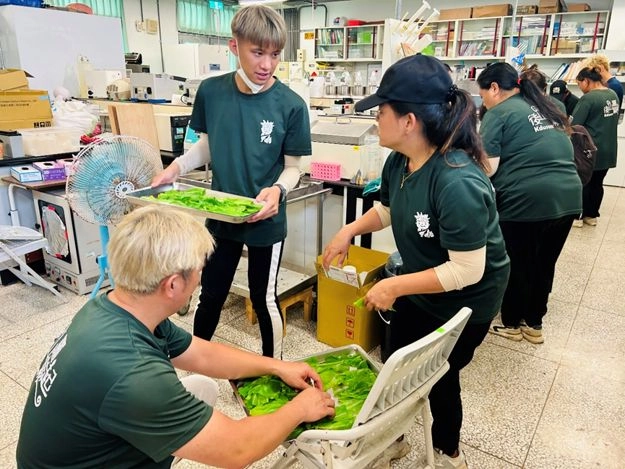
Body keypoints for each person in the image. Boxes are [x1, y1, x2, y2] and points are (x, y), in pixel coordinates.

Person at [16, 206, 335, 468]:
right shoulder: (133, 375)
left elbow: (200, 354)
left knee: (202, 388)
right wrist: (301, 409)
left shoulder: (119, 304)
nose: (201, 277)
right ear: (172, 285)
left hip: (88, 448)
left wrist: (276, 367)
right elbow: (236, 450)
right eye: (198, 269)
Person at [323, 54, 510, 469]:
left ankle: (448, 453)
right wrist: (348, 231)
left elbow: (467, 270)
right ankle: (394, 436)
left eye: (382, 112)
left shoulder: (457, 179)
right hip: (422, 282)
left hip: (468, 300)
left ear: (409, 121)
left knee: (438, 377)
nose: (376, 121)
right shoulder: (400, 159)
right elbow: (389, 209)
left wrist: (394, 285)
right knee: (396, 366)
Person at [151, 5, 311, 358]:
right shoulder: (211, 92)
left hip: (265, 219)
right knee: (211, 293)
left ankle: (275, 367)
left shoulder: (292, 105)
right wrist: (175, 168)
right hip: (221, 216)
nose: (267, 64)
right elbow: (207, 145)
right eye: (257, 52)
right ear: (234, 46)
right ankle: (194, 365)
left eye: (274, 54)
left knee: (263, 297)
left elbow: (293, 167)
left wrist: (279, 189)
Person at [477, 63, 582, 345]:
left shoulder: (499, 112)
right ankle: (534, 324)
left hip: (527, 200)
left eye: (483, 93)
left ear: (495, 88)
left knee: (518, 263)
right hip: (569, 196)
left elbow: (487, 167)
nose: (483, 100)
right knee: (544, 263)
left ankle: (511, 323)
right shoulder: (546, 107)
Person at [571, 66, 619, 227]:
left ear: (586, 81)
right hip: (609, 148)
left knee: (583, 182)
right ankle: (591, 215)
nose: (580, 88)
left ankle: (577, 216)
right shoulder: (612, 94)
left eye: (579, 84)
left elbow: (575, 124)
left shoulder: (589, 99)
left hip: (589, 149)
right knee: (598, 183)